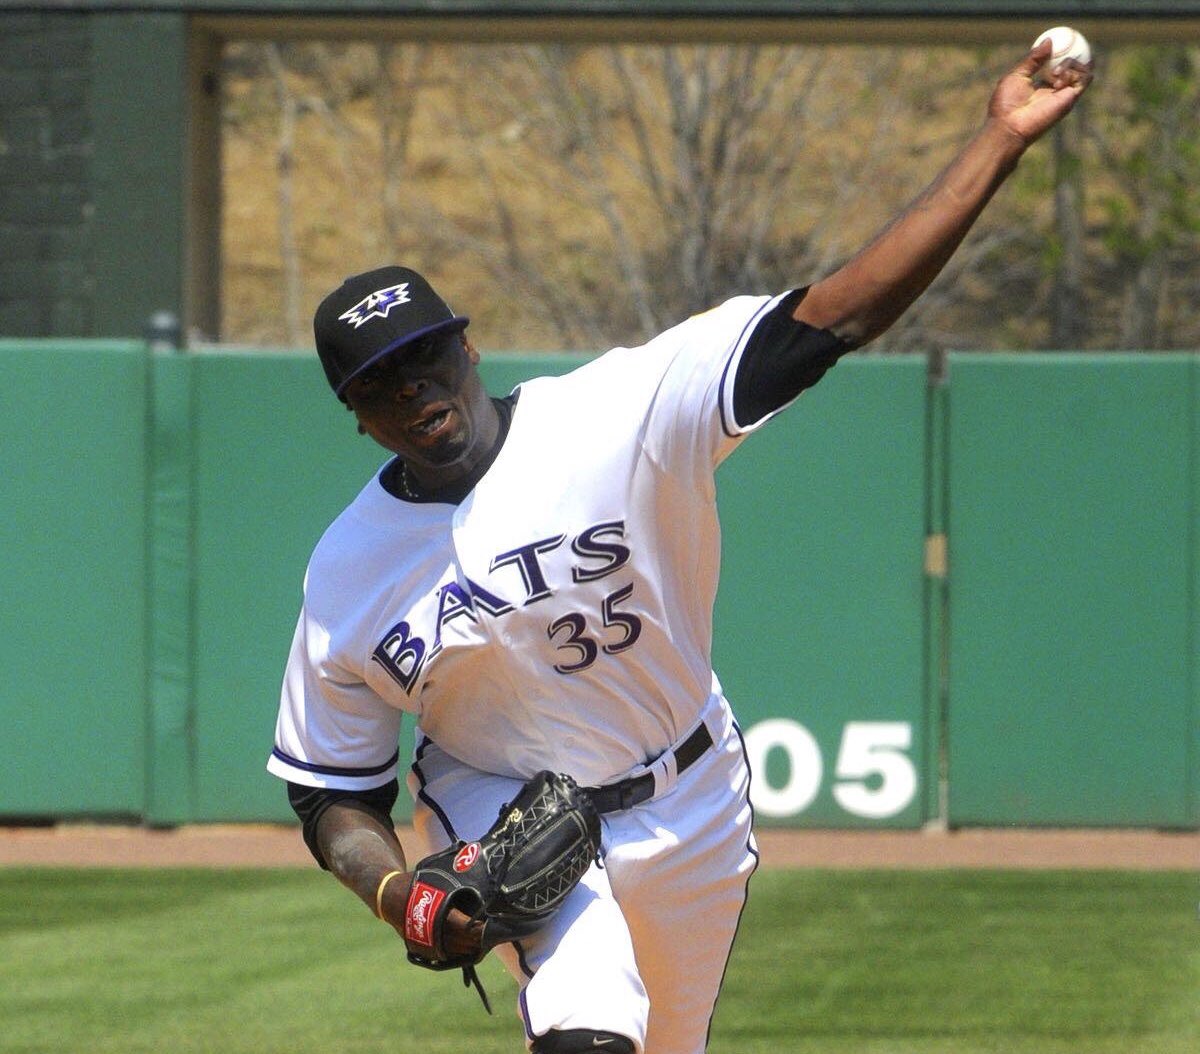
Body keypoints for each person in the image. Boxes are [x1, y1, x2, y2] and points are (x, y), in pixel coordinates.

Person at [268, 42, 1091, 1054]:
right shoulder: (348, 569)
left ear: (468, 346)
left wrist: (1000, 140)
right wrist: (397, 891)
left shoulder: (621, 414)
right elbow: (330, 787)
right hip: (499, 802)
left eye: (425, 356)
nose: (415, 390)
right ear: (356, 416)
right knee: (586, 1040)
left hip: (692, 791)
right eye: (380, 384)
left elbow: (840, 311)